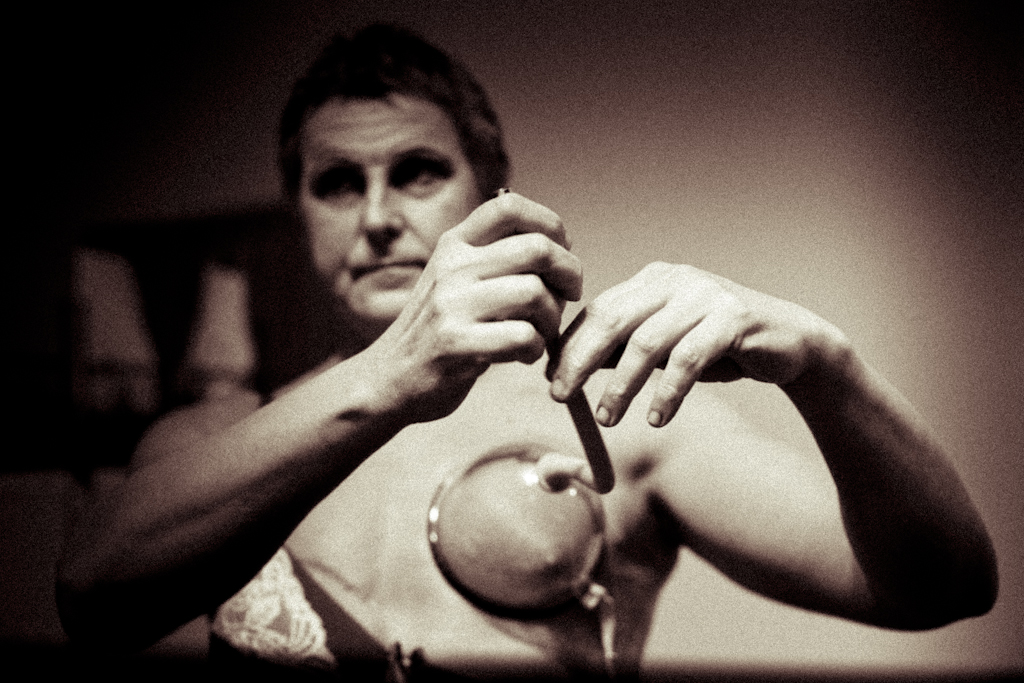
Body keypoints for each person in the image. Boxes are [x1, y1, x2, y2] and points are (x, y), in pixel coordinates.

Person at [57, 24, 998, 680]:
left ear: (489, 192)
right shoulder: (213, 436)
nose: (376, 217)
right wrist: (389, 375)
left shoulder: (615, 419)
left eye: (417, 172)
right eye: (337, 183)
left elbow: (942, 586)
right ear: (299, 210)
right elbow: (91, 599)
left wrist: (828, 368)